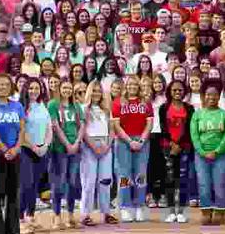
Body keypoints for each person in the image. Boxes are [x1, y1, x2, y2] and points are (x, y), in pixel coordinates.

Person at [0, 73, 26, 234]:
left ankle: (13, 230)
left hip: (15, 153)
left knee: (13, 191)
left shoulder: (17, 106)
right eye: (0, 84)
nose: (3, 87)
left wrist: (16, 148)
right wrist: (4, 149)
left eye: (6, 84)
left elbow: (22, 130)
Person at [190, 82, 225, 226]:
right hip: (201, 156)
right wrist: (202, 152)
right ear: (203, 96)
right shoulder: (197, 115)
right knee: (203, 184)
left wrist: (216, 151)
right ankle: (206, 211)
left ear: (219, 96)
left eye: (214, 94)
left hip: (222, 155)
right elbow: (194, 136)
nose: (211, 97)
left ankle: (220, 211)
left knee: (220, 183)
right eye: (208, 94)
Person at [112, 75, 153, 223]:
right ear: (125, 86)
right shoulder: (118, 103)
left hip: (142, 141)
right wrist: (129, 141)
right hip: (123, 141)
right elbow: (116, 126)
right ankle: (125, 207)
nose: (132, 87)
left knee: (140, 174)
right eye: (129, 84)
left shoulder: (146, 103)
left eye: (135, 85)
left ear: (139, 87)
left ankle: (139, 206)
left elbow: (149, 124)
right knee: (124, 175)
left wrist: (141, 140)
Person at [47, 79, 84, 229]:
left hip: (75, 149)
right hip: (60, 149)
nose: (67, 90)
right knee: (59, 182)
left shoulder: (76, 106)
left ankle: (70, 214)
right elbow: (55, 127)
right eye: (64, 88)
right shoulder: (53, 105)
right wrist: (67, 144)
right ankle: (56, 215)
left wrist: (76, 143)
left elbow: (82, 125)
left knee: (73, 182)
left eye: (69, 88)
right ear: (59, 89)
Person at [158, 78, 194, 224]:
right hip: (168, 147)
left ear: (184, 91)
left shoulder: (189, 108)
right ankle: (172, 211)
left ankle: (181, 212)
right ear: (170, 92)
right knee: (170, 178)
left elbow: (189, 129)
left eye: (180, 90)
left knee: (184, 179)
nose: (177, 92)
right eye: (174, 90)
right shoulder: (163, 108)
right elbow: (163, 128)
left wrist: (178, 144)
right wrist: (172, 144)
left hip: (184, 147)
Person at [79, 81, 116, 225]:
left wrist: (107, 145)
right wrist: (93, 146)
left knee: (105, 181)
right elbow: (83, 131)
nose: (96, 93)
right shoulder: (83, 109)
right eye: (93, 90)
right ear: (89, 92)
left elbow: (112, 129)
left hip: (106, 145)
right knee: (89, 181)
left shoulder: (106, 109)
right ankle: (85, 214)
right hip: (89, 146)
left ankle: (106, 212)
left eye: (99, 91)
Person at [19, 78, 52, 232]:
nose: (34, 91)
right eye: (31, 88)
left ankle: (31, 216)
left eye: (36, 88)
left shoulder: (42, 106)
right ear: (26, 89)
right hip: (26, 150)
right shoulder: (21, 107)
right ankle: (19, 219)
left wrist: (45, 145)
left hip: (41, 150)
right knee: (26, 184)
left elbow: (48, 128)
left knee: (35, 185)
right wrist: (33, 147)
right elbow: (22, 131)